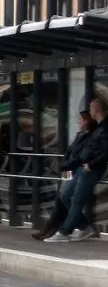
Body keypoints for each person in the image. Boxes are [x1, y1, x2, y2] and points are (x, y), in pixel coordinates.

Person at [44, 98, 108, 242]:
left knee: (76, 199)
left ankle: (63, 231)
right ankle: (84, 226)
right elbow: (72, 151)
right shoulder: (90, 131)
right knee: (64, 195)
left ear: (95, 111)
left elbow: (104, 151)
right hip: (74, 169)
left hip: (86, 169)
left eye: (81, 119)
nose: (79, 122)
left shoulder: (102, 129)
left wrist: (91, 164)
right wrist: (67, 165)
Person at [33, 111, 98, 240]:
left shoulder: (90, 137)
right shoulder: (80, 135)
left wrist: (66, 165)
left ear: (87, 121)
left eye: (80, 120)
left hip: (74, 169)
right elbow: (69, 151)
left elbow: (79, 156)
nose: (78, 122)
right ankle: (54, 225)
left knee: (65, 197)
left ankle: (54, 225)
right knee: (61, 196)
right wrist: (64, 165)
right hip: (68, 170)